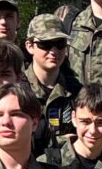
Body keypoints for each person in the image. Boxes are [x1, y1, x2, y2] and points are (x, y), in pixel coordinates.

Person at [25, 13, 81, 144]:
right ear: (30, 46)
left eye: (60, 44)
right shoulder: (17, 90)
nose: (54, 51)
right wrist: (60, 141)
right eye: (45, 44)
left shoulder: (77, 91)